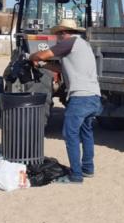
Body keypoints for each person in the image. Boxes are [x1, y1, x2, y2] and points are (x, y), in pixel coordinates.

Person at [30, 18, 101, 183]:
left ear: (63, 33)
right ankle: (88, 169)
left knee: (70, 135)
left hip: (80, 97)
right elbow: (63, 69)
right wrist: (42, 65)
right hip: (93, 96)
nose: (56, 38)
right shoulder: (83, 44)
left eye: (57, 34)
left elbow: (42, 54)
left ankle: (75, 175)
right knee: (86, 133)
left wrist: (31, 57)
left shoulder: (68, 43)